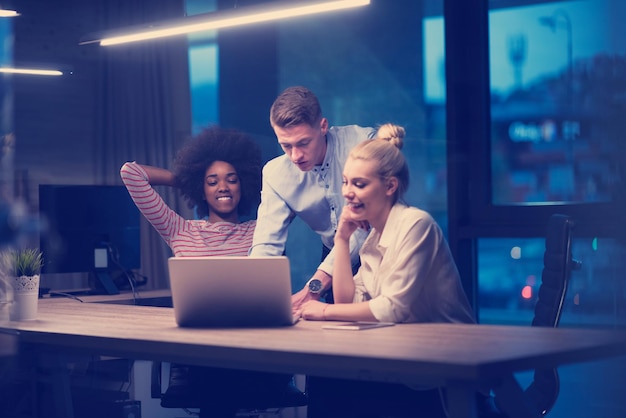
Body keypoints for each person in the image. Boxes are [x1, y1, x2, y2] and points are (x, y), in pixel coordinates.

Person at [300, 124, 476, 418]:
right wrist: (342, 240)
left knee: (337, 391)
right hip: (403, 356)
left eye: (359, 184)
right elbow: (347, 301)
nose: (348, 193)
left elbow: (391, 308)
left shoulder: (416, 224)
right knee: (327, 382)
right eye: (345, 182)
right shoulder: (372, 237)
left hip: (442, 367)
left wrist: (323, 311)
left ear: (390, 186)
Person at [120, 126, 294, 416]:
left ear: (244, 185)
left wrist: (201, 180)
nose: (223, 187)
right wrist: (190, 181)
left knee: (227, 379)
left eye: (231, 180)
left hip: (251, 347)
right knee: (218, 376)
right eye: (212, 182)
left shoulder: (262, 231)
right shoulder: (180, 230)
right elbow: (131, 174)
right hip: (203, 354)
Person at [249, 85, 378, 311]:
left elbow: (364, 227)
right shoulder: (275, 174)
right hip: (334, 256)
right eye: (286, 146)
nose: (295, 156)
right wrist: (249, 291)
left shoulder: (363, 145)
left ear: (323, 126)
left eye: (303, 143)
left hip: (380, 250)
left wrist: (313, 289)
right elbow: (267, 243)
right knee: (339, 335)